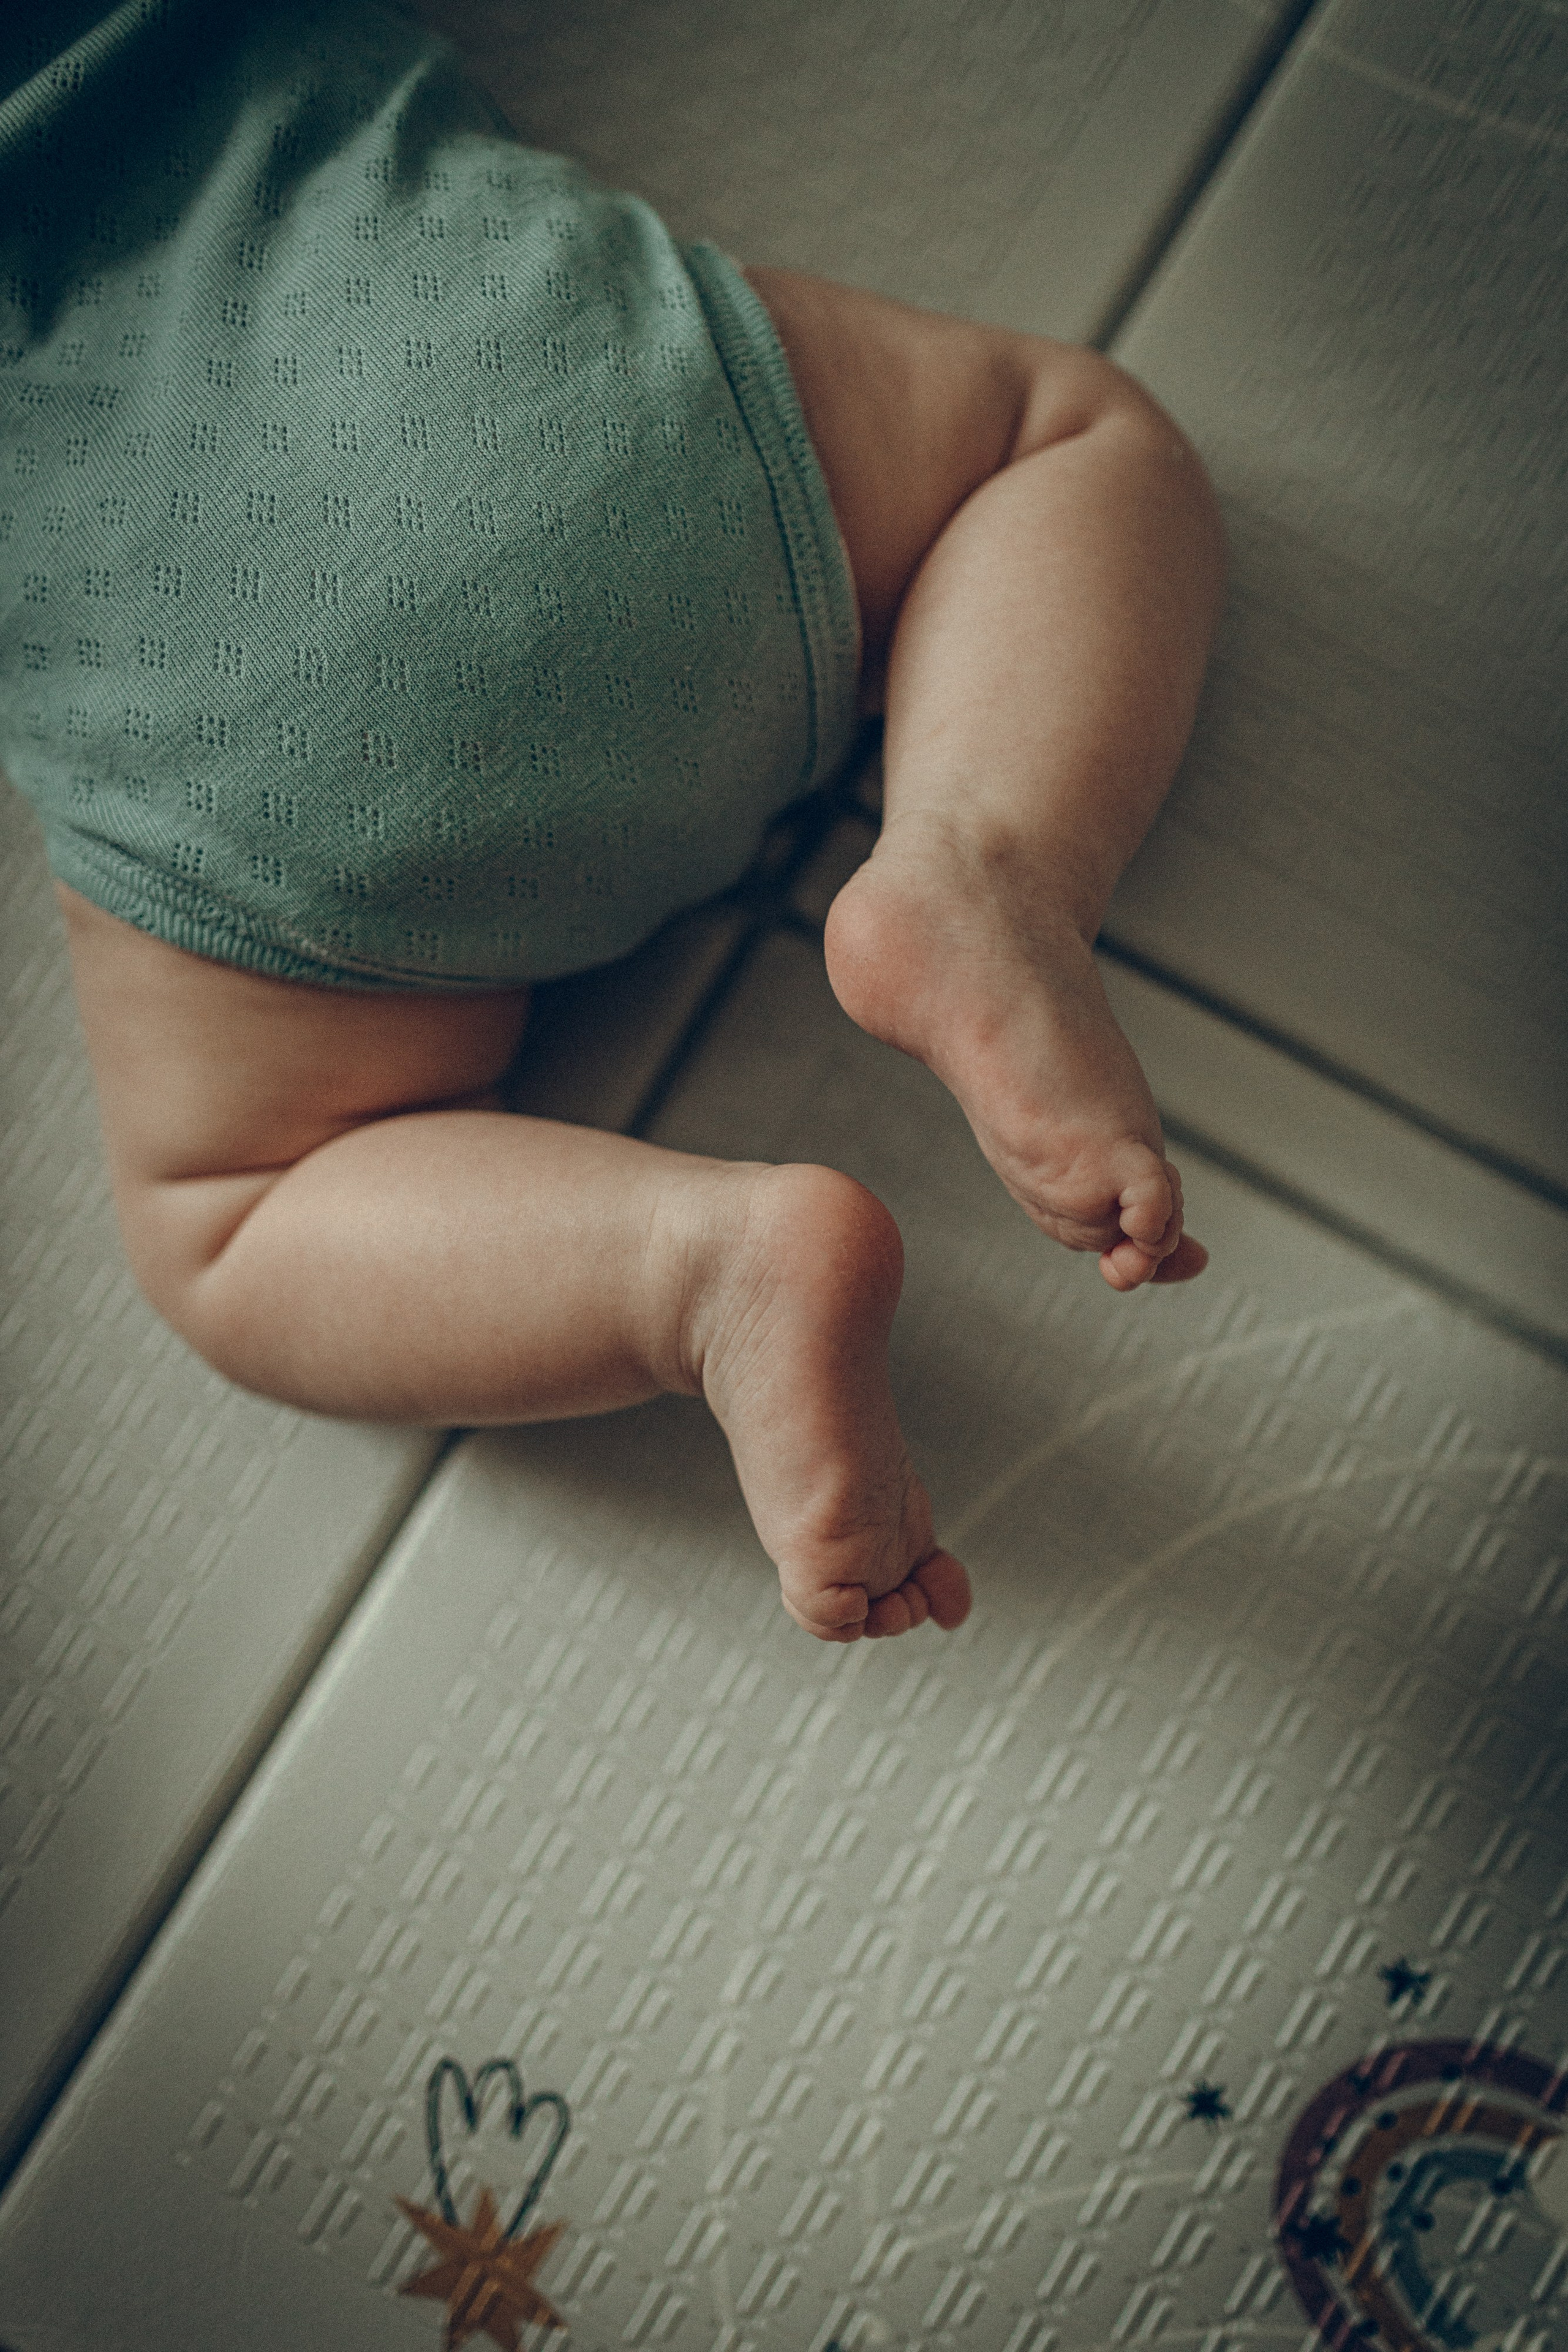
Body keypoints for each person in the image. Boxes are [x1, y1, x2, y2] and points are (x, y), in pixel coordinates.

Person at [2, 0, 1225, 1646]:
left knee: (237, 1216)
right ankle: (976, 859)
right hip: (551, 418)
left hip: (228, 733)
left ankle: (702, 1270)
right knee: (1063, 447)